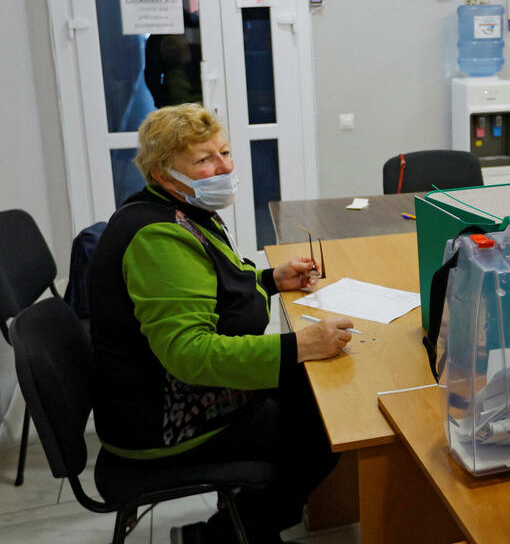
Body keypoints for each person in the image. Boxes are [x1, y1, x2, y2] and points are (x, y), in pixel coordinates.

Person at [87, 104, 355, 543]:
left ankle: (243, 521)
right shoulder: (158, 237)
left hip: (169, 394)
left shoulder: (182, 211)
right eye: (203, 159)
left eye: (225, 152)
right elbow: (190, 355)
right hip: (162, 419)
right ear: (163, 174)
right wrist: (299, 345)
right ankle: (230, 533)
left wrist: (269, 279)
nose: (224, 166)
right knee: (323, 429)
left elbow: (213, 286)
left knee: (317, 394)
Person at [145, 0, 203, 108]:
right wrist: (164, 104)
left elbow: (151, 76)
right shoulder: (160, 35)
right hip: (182, 102)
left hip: (182, 102)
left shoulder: (196, 26)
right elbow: (151, 76)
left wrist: (163, 104)